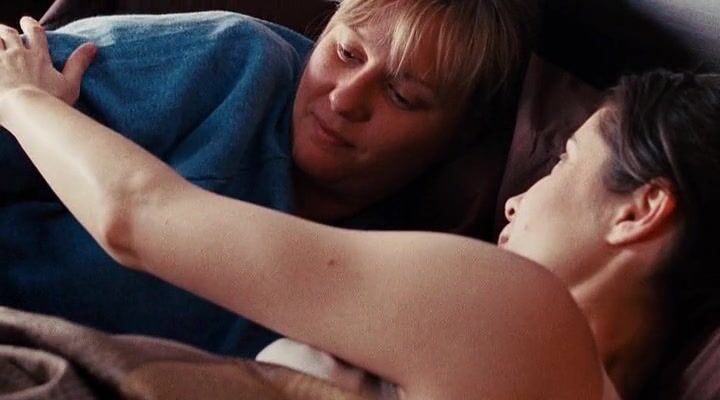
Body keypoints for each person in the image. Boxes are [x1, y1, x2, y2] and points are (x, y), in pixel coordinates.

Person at [2, 17, 719, 399]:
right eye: (345, 53)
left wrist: (22, 98)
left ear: (640, 210)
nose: (512, 201)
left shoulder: (519, 316)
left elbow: (135, 216)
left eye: (563, 161)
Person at [0, 0, 534, 356]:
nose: (345, 98)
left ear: (460, 134)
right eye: (346, 52)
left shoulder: (405, 271)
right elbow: (12, 83)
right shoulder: (232, 63)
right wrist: (25, 101)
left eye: (402, 96)